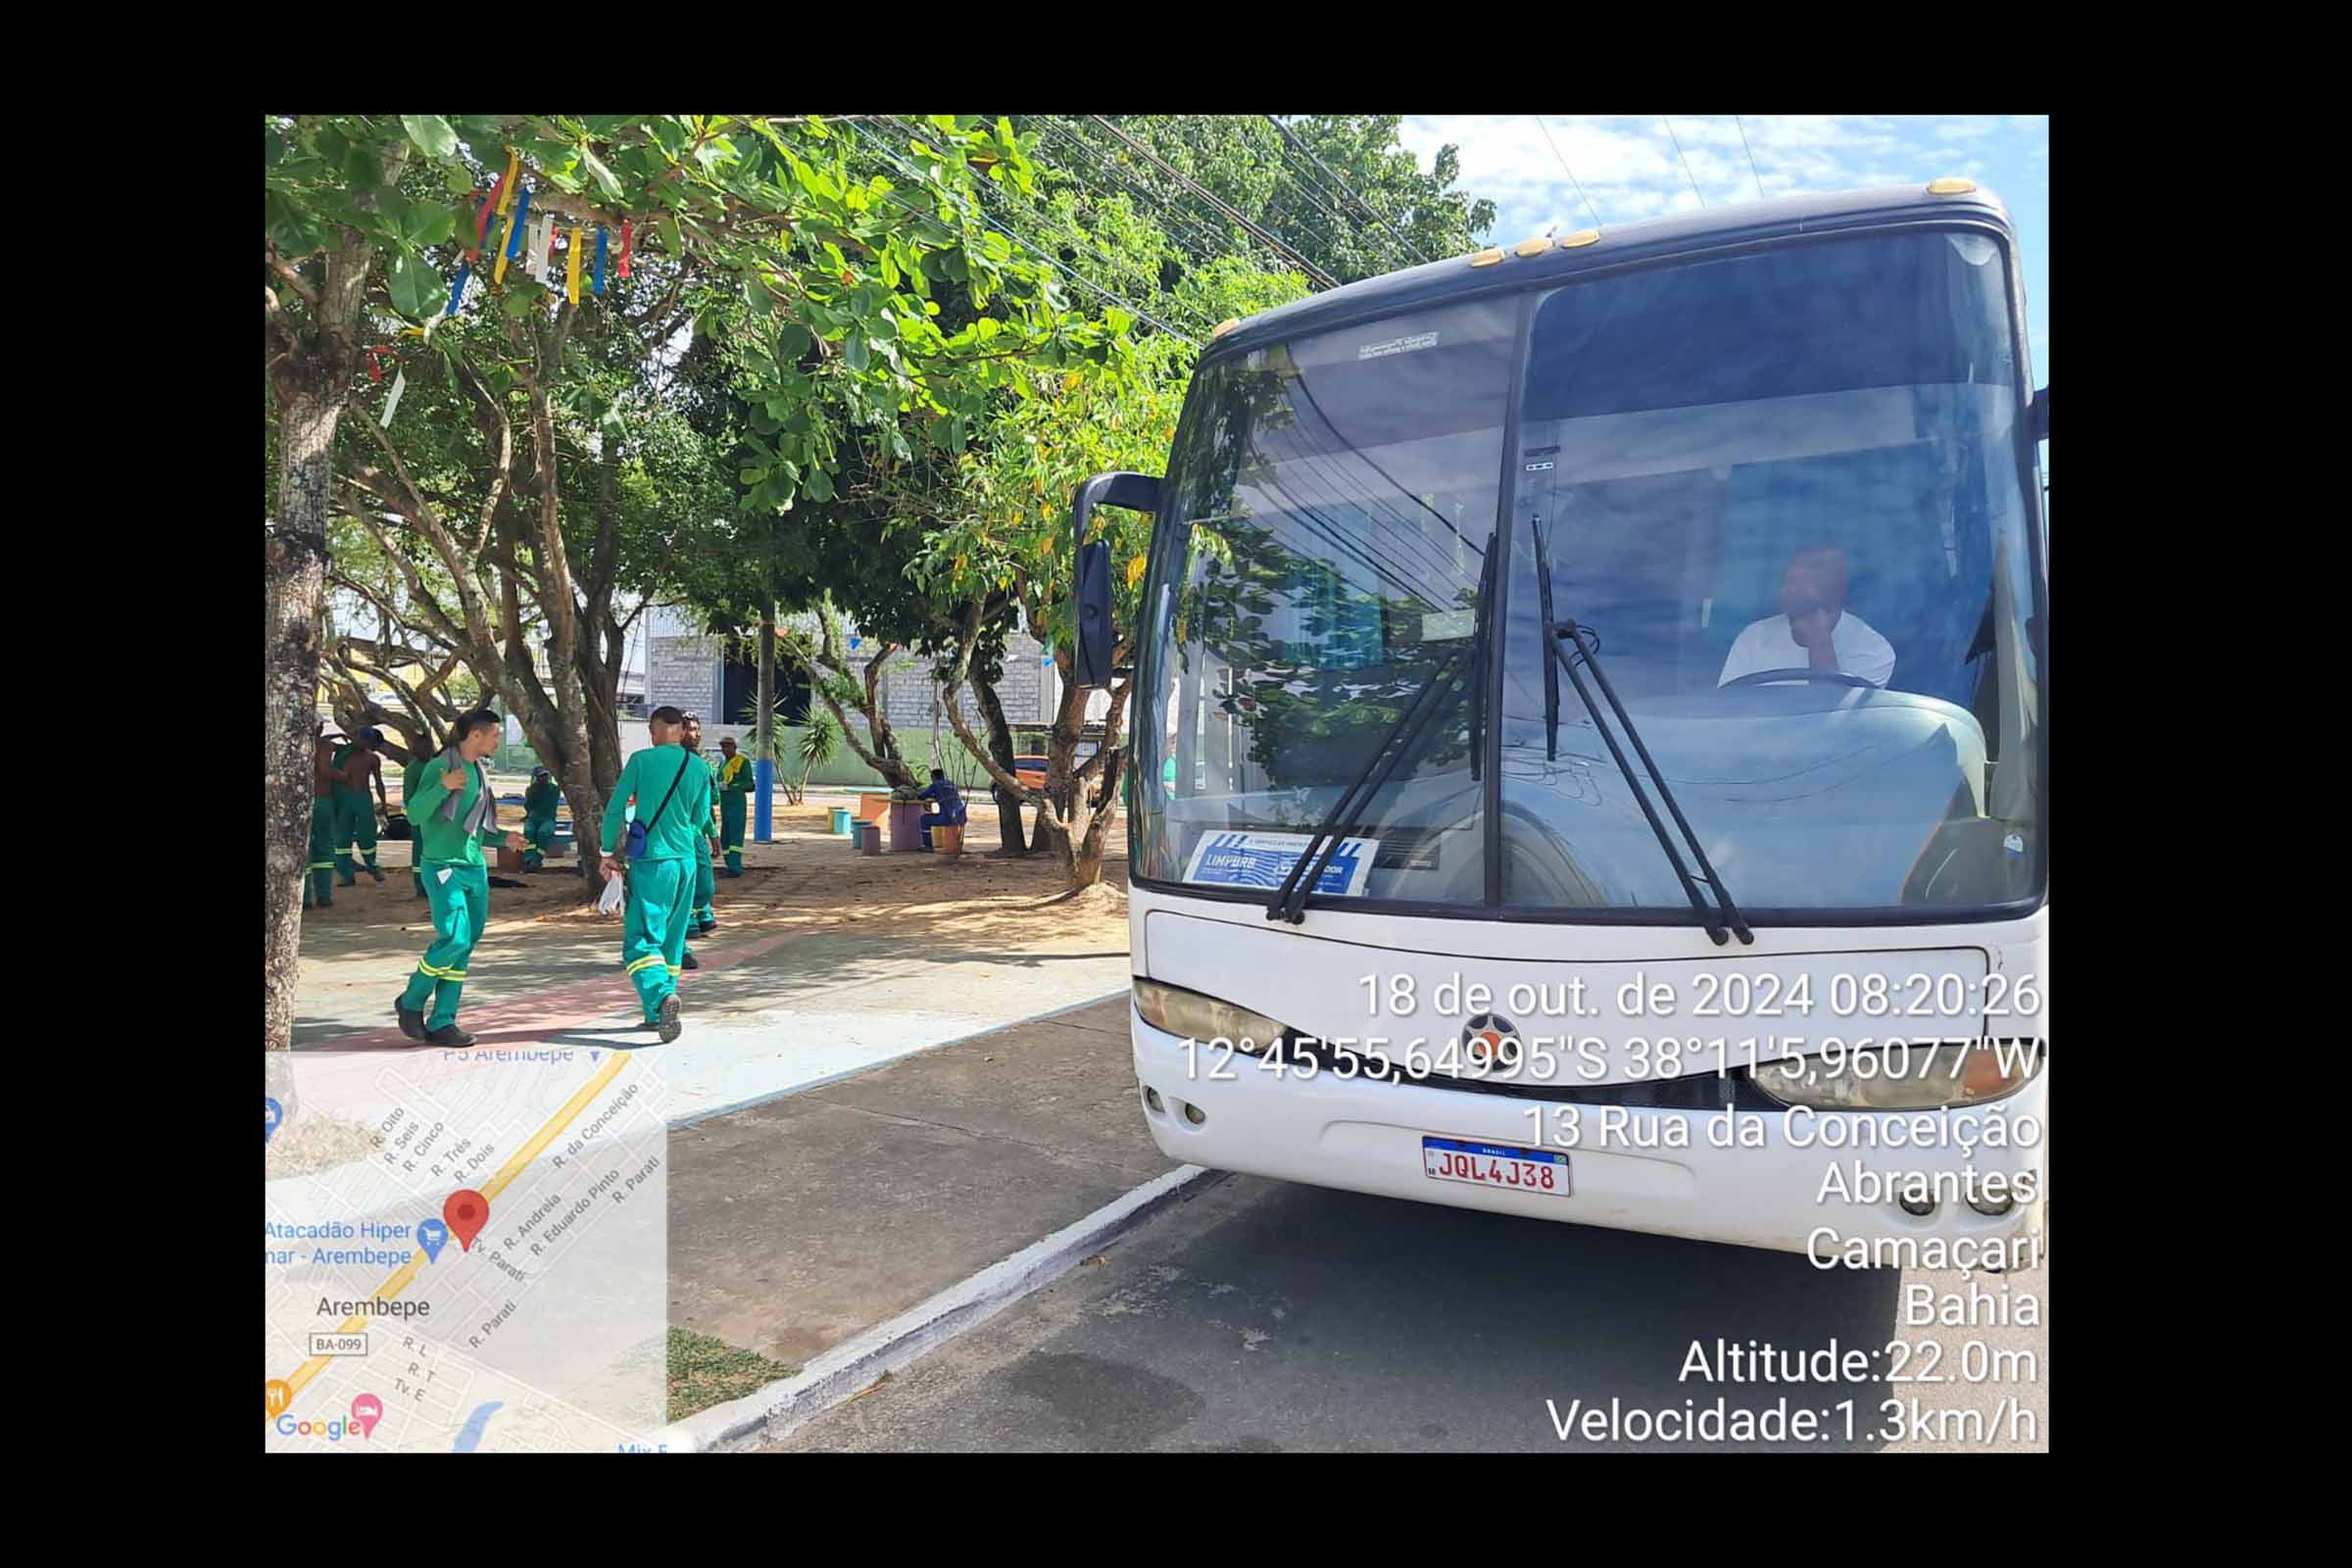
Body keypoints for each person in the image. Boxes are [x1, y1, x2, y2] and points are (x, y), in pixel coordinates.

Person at [395, 709, 529, 1047]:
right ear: (475, 736)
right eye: (495, 734)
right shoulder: (441, 767)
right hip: (443, 866)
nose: (499, 740)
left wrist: (504, 838)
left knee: (465, 945)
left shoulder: (478, 772)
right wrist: (442, 786)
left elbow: (477, 829)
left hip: (474, 867)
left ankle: (443, 1021)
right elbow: (413, 814)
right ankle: (411, 1001)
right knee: (454, 938)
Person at [599, 707, 716, 1044]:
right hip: (686, 861)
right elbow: (700, 818)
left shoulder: (641, 760)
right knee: (673, 939)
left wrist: (608, 852)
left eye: (653, 730)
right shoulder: (699, 767)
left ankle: (661, 997)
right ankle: (656, 1016)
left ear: (663, 730)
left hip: (653, 861)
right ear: (680, 731)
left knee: (639, 942)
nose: (651, 736)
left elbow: (616, 808)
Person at [1717, 546, 1895, 689]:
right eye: (1790, 581)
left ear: (1838, 593)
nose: (1790, 592)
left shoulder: (1874, 651)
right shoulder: (1753, 637)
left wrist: (1820, 642)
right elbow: (1728, 708)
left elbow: (1837, 720)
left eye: (1805, 584)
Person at [330, 727, 390, 884]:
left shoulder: (372, 758)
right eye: (358, 737)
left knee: (367, 835)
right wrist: (337, 734)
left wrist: (383, 804)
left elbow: (379, 782)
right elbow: (320, 742)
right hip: (343, 799)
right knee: (342, 838)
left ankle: (372, 866)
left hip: (363, 798)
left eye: (365, 740)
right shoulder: (342, 751)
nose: (361, 742)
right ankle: (346, 874)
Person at [305, 727, 340, 909]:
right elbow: (325, 771)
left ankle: (304, 898)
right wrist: (343, 776)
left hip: (298, 803)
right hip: (322, 800)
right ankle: (324, 896)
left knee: (303, 849)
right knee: (324, 847)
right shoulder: (323, 745)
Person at [715, 733, 756, 876]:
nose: (725, 749)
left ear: (734, 747)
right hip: (725, 803)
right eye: (723, 746)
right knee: (725, 835)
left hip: (737, 803)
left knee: (735, 836)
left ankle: (735, 867)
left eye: (728, 746)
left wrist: (732, 786)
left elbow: (750, 784)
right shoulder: (722, 763)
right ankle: (729, 864)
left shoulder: (742, 761)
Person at [520, 766, 563, 871]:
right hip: (532, 819)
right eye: (541, 776)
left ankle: (537, 860)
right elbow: (528, 805)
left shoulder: (553, 790)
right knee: (528, 831)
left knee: (543, 833)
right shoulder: (531, 790)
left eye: (545, 776)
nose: (543, 778)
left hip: (548, 819)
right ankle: (529, 859)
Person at [917, 767, 967, 851]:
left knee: (924, 819)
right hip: (960, 816)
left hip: (947, 818)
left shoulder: (935, 785)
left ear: (933, 777)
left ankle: (928, 846)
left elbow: (921, 797)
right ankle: (956, 846)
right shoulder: (951, 784)